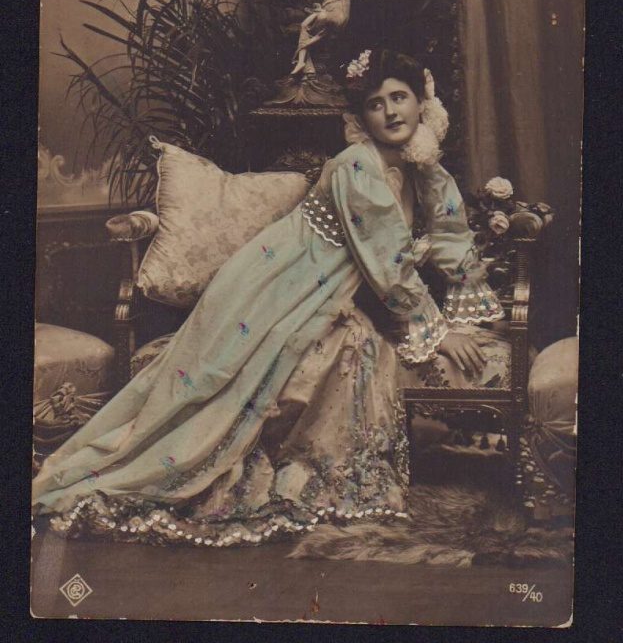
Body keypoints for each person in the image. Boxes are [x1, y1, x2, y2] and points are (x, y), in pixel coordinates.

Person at [32, 49, 505, 549]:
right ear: (361, 117)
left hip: (324, 282)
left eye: (399, 98)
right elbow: (389, 263)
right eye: (375, 103)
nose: (390, 112)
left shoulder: (419, 165)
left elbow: (449, 229)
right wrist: (438, 332)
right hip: (285, 278)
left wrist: (470, 296)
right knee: (240, 378)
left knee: (356, 341)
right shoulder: (357, 166)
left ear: (420, 102)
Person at [290, 0, 375, 75]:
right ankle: (302, 63)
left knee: (321, 24)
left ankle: (306, 53)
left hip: (339, 10)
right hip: (326, 7)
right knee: (304, 26)